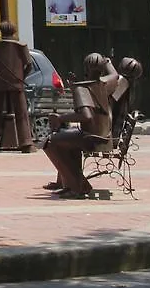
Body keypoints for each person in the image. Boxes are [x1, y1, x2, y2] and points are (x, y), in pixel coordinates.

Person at [42, 53, 116, 197]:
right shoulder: (105, 83)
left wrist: (60, 118)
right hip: (104, 136)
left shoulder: (82, 88)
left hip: (91, 138)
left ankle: (77, 186)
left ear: (86, 69)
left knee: (50, 143)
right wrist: (107, 62)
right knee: (68, 140)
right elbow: (114, 74)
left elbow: (86, 116)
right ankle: (71, 183)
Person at [0, 21, 34, 152]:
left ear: (2, 31)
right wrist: (22, 78)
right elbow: (29, 65)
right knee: (21, 113)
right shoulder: (20, 45)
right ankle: (26, 143)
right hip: (16, 83)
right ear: (14, 31)